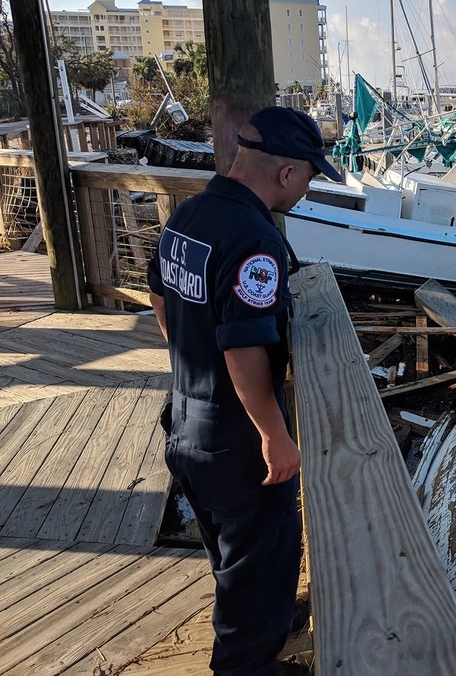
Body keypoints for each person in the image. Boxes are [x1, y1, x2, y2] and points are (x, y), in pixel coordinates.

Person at [147, 106, 341, 675]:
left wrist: (191, 351)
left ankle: (252, 656)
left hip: (185, 421)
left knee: (232, 563)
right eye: (309, 177)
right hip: (237, 441)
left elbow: (160, 296)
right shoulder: (256, 240)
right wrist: (275, 436)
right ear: (286, 173)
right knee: (259, 576)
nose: (307, 191)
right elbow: (244, 349)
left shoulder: (189, 216)